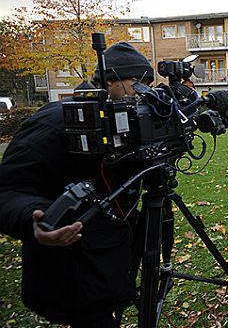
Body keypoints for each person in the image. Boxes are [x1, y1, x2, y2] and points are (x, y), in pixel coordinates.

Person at [0, 42, 154, 327]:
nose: (142, 95)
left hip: (111, 265)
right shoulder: (56, 122)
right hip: (75, 278)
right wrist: (33, 220)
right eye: (137, 85)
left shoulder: (128, 121)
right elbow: (7, 190)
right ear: (110, 82)